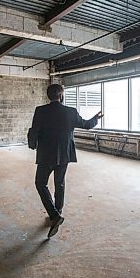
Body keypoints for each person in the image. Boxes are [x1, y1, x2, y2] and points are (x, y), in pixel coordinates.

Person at [28, 84, 103, 238]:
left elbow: (34, 130)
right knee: (59, 183)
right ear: (61, 96)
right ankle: (58, 211)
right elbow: (86, 125)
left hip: (46, 155)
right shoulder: (71, 112)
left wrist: (31, 144)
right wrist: (96, 118)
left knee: (40, 183)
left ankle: (54, 215)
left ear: (48, 96)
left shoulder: (40, 111)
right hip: (64, 155)